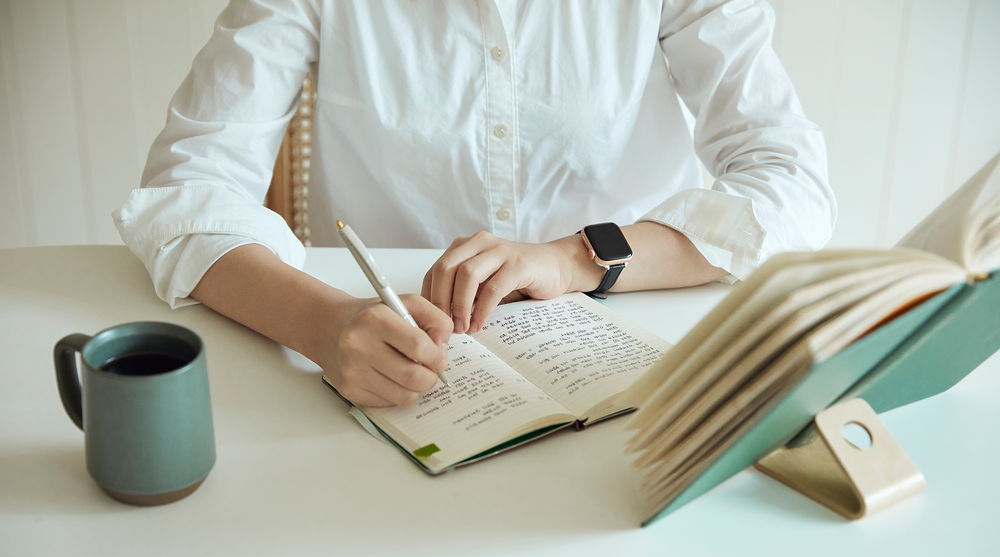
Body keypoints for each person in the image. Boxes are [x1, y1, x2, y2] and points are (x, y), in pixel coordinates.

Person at [114, 0, 836, 408]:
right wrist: (323, 323)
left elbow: (790, 181)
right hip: (388, 369)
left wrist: (577, 257)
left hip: (633, 356)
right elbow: (186, 189)